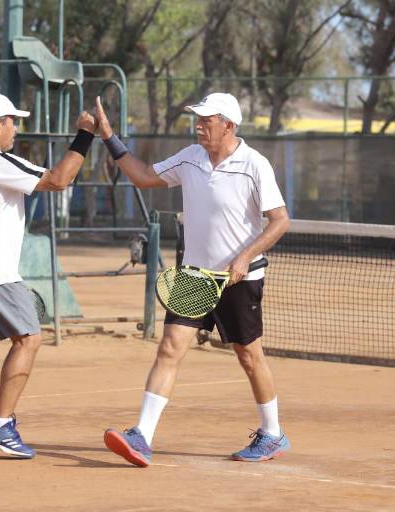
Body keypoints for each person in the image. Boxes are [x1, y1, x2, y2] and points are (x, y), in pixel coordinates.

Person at [95, 92, 291, 466]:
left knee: (249, 356)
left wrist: (244, 258)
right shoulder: (190, 157)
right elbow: (142, 176)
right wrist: (108, 136)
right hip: (194, 276)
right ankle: (142, 436)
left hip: (240, 279)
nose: (199, 125)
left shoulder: (254, 164)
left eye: (207, 120)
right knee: (169, 347)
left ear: (229, 125)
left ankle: (272, 434)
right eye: (198, 119)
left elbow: (280, 219)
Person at [0, 93, 97, 459]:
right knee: (29, 339)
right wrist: (85, 135)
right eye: (12, 121)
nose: (15, 128)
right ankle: (0, 424)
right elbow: (58, 180)